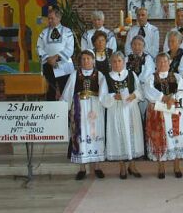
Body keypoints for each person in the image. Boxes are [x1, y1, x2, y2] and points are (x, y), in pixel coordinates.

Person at [61, 49, 108, 180]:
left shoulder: (100, 75)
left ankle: (97, 166)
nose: (86, 61)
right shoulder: (74, 75)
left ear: (93, 61)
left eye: (88, 58)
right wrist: (63, 109)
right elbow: (67, 93)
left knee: (95, 135)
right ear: (80, 61)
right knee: (80, 135)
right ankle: (82, 168)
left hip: (95, 111)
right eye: (83, 59)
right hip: (79, 109)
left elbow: (104, 95)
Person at [144, 53, 183, 179]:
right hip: (159, 113)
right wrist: (163, 97)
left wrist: (173, 98)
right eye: (159, 62)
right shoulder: (151, 78)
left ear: (169, 63)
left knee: (176, 139)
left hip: (175, 111)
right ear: (156, 64)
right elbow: (148, 91)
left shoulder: (177, 77)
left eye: (165, 61)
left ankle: (177, 166)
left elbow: (182, 91)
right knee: (160, 139)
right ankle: (161, 167)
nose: (163, 64)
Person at [102, 51, 144, 179]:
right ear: (111, 63)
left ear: (124, 62)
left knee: (132, 135)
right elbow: (102, 97)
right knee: (119, 135)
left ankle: (132, 165)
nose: (117, 63)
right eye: (114, 61)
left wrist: (134, 95)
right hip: (115, 110)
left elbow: (139, 90)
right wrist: (114, 96)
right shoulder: (106, 77)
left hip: (130, 109)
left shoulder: (131, 74)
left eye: (119, 61)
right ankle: (122, 166)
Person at [37, 7, 74, 101]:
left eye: (52, 18)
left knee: (65, 90)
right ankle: (50, 113)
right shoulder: (44, 32)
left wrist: (56, 57)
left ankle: (66, 114)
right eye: (48, 18)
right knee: (49, 91)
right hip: (48, 64)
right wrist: (48, 58)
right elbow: (39, 47)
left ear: (59, 18)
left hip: (63, 63)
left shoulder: (67, 31)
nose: (49, 20)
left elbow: (70, 48)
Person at [126, 35, 155, 118]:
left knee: (143, 114)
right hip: (129, 90)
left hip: (143, 89)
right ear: (131, 46)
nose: (137, 47)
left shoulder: (148, 58)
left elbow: (148, 74)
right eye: (134, 44)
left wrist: (137, 84)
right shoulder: (126, 59)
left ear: (144, 46)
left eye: (139, 44)